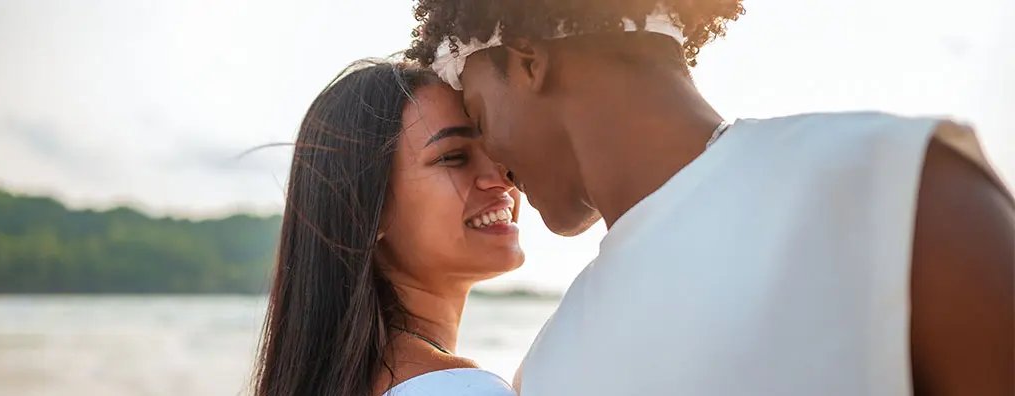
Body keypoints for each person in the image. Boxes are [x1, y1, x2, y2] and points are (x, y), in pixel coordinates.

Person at [406, 1, 1015, 395]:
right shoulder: (543, 367)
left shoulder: (891, 188)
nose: (499, 171)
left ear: (528, 63)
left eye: (481, 117)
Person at [253, 61, 522, 396]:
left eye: (497, 148)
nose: (503, 178)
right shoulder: (458, 388)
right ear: (368, 210)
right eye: (453, 157)